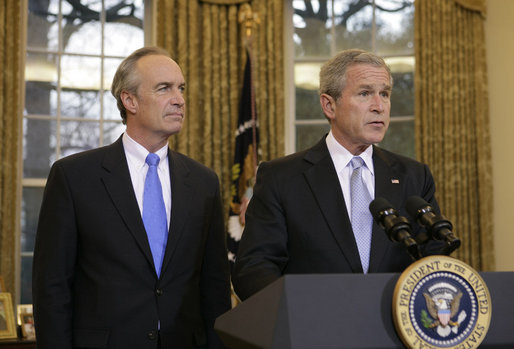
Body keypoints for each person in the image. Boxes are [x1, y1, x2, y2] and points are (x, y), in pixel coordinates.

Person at [33, 46, 231, 348]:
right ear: (129, 100)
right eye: (164, 88)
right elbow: (52, 288)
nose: (179, 99)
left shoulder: (203, 182)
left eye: (181, 89)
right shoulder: (74, 177)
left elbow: (214, 289)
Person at [232, 49, 445, 301]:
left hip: (396, 331)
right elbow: (254, 269)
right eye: (365, 93)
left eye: (385, 94)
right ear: (329, 105)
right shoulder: (281, 178)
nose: (379, 107)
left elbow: (435, 261)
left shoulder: (414, 176)